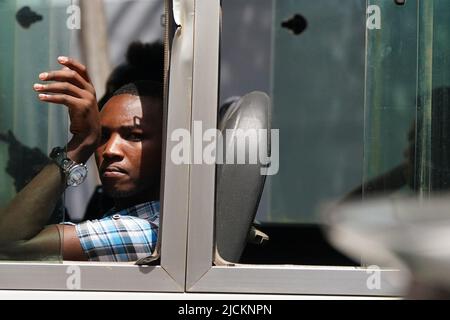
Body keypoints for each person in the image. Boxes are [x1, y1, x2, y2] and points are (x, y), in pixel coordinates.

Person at [0, 56, 163, 262]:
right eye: (102, 136)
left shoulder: (145, 231)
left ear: (169, 149)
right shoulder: (127, 218)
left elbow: (7, 243)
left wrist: (82, 142)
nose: (110, 150)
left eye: (134, 136)